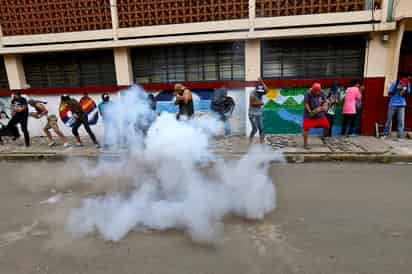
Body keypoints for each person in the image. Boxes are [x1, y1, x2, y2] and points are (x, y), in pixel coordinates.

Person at [383, 75, 411, 140]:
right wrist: (397, 89)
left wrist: (403, 91)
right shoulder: (395, 84)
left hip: (402, 104)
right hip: (392, 104)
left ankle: (400, 136)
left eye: (405, 82)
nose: (404, 83)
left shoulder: (408, 84)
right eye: (403, 82)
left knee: (401, 121)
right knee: (389, 120)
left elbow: (408, 93)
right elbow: (389, 93)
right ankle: (385, 134)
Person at [302, 83, 329, 148]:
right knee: (306, 129)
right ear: (312, 89)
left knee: (327, 126)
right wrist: (310, 112)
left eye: (318, 91)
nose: (317, 92)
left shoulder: (322, 92)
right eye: (315, 91)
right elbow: (306, 103)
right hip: (309, 115)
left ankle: (323, 137)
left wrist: (325, 107)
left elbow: (325, 101)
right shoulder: (308, 93)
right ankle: (305, 144)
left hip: (320, 115)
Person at [249, 78, 267, 144]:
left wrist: (262, 82)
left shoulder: (261, 91)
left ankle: (262, 143)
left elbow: (267, 90)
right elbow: (251, 103)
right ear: (256, 89)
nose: (260, 93)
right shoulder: (252, 92)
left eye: (261, 91)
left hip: (259, 113)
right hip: (252, 114)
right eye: (258, 91)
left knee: (261, 129)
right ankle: (250, 142)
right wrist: (260, 103)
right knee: (255, 129)